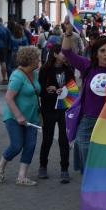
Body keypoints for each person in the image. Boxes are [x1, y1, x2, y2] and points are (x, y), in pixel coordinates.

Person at [62, 27, 106, 210]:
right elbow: (67, 53)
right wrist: (67, 34)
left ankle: (101, 207)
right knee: (89, 163)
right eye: (102, 51)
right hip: (88, 122)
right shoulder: (88, 67)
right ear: (96, 54)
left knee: (102, 166)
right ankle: (97, 198)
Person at [0, 46, 42, 186]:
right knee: (16, 145)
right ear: (31, 60)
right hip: (15, 117)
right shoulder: (17, 76)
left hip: (32, 117)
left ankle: (22, 176)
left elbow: (36, 91)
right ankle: (1, 165)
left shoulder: (34, 73)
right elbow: (9, 97)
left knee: (30, 145)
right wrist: (19, 115)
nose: (39, 60)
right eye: (37, 58)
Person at [37, 44, 74, 183]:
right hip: (49, 109)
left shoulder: (68, 69)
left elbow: (73, 88)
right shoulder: (45, 70)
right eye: (63, 53)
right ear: (55, 54)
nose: (65, 55)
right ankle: (43, 166)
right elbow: (41, 92)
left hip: (64, 109)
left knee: (64, 140)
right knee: (47, 138)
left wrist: (63, 90)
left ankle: (64, 169)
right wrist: (50, 91)